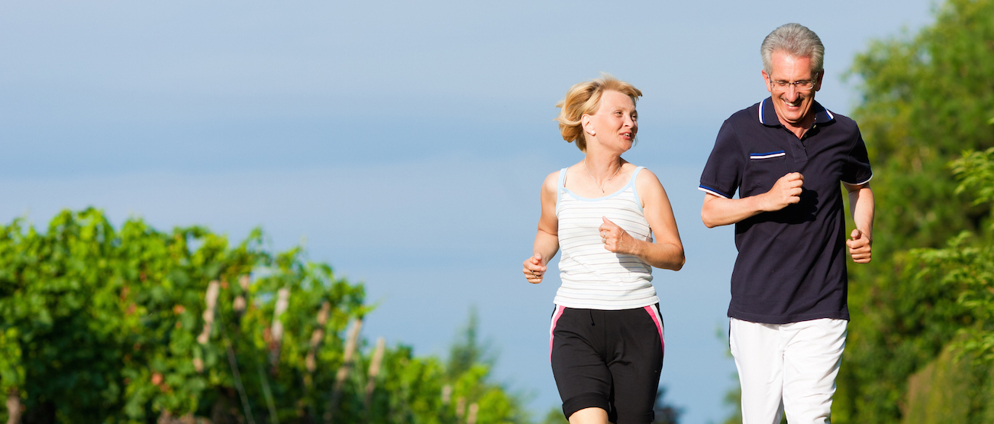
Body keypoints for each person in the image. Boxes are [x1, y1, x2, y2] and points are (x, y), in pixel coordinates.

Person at [698, 23, 875, 423]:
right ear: (766, 78)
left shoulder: (843, 132)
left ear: (819, 79)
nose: (791, 95)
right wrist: (766, 200)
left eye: (801, 83)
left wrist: (863, 230)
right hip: (754, 307)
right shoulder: (739, 129)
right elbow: (711, 212)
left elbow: (860, 188)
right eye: (781, 83)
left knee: (810, 416)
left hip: (822, 304)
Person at [523, 75, 685, 424]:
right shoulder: (557, 184)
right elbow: (547, 231)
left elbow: (675, 255)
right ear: (588, 122)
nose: (631, 123)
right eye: (619, 114)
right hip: (576, 320)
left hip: (636, 320)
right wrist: (539, 256)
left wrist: (633, 245)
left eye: (634, 116)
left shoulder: (643, 181)